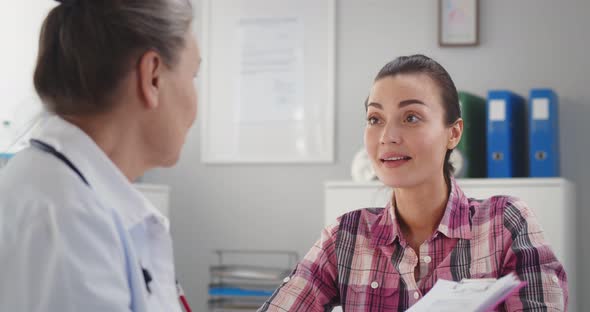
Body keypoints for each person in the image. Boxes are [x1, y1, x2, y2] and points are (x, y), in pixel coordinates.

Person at [259, 55, 568, 311]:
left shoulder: (505, 222)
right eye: (375, 119)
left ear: (454, 133)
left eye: (411, 117)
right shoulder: (345, 237)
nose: (387, 136)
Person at [0, 0, 200, 311]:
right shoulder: (68, 219)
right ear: (152, 77)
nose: (195, 105)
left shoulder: (64, 189)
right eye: (193, 76)